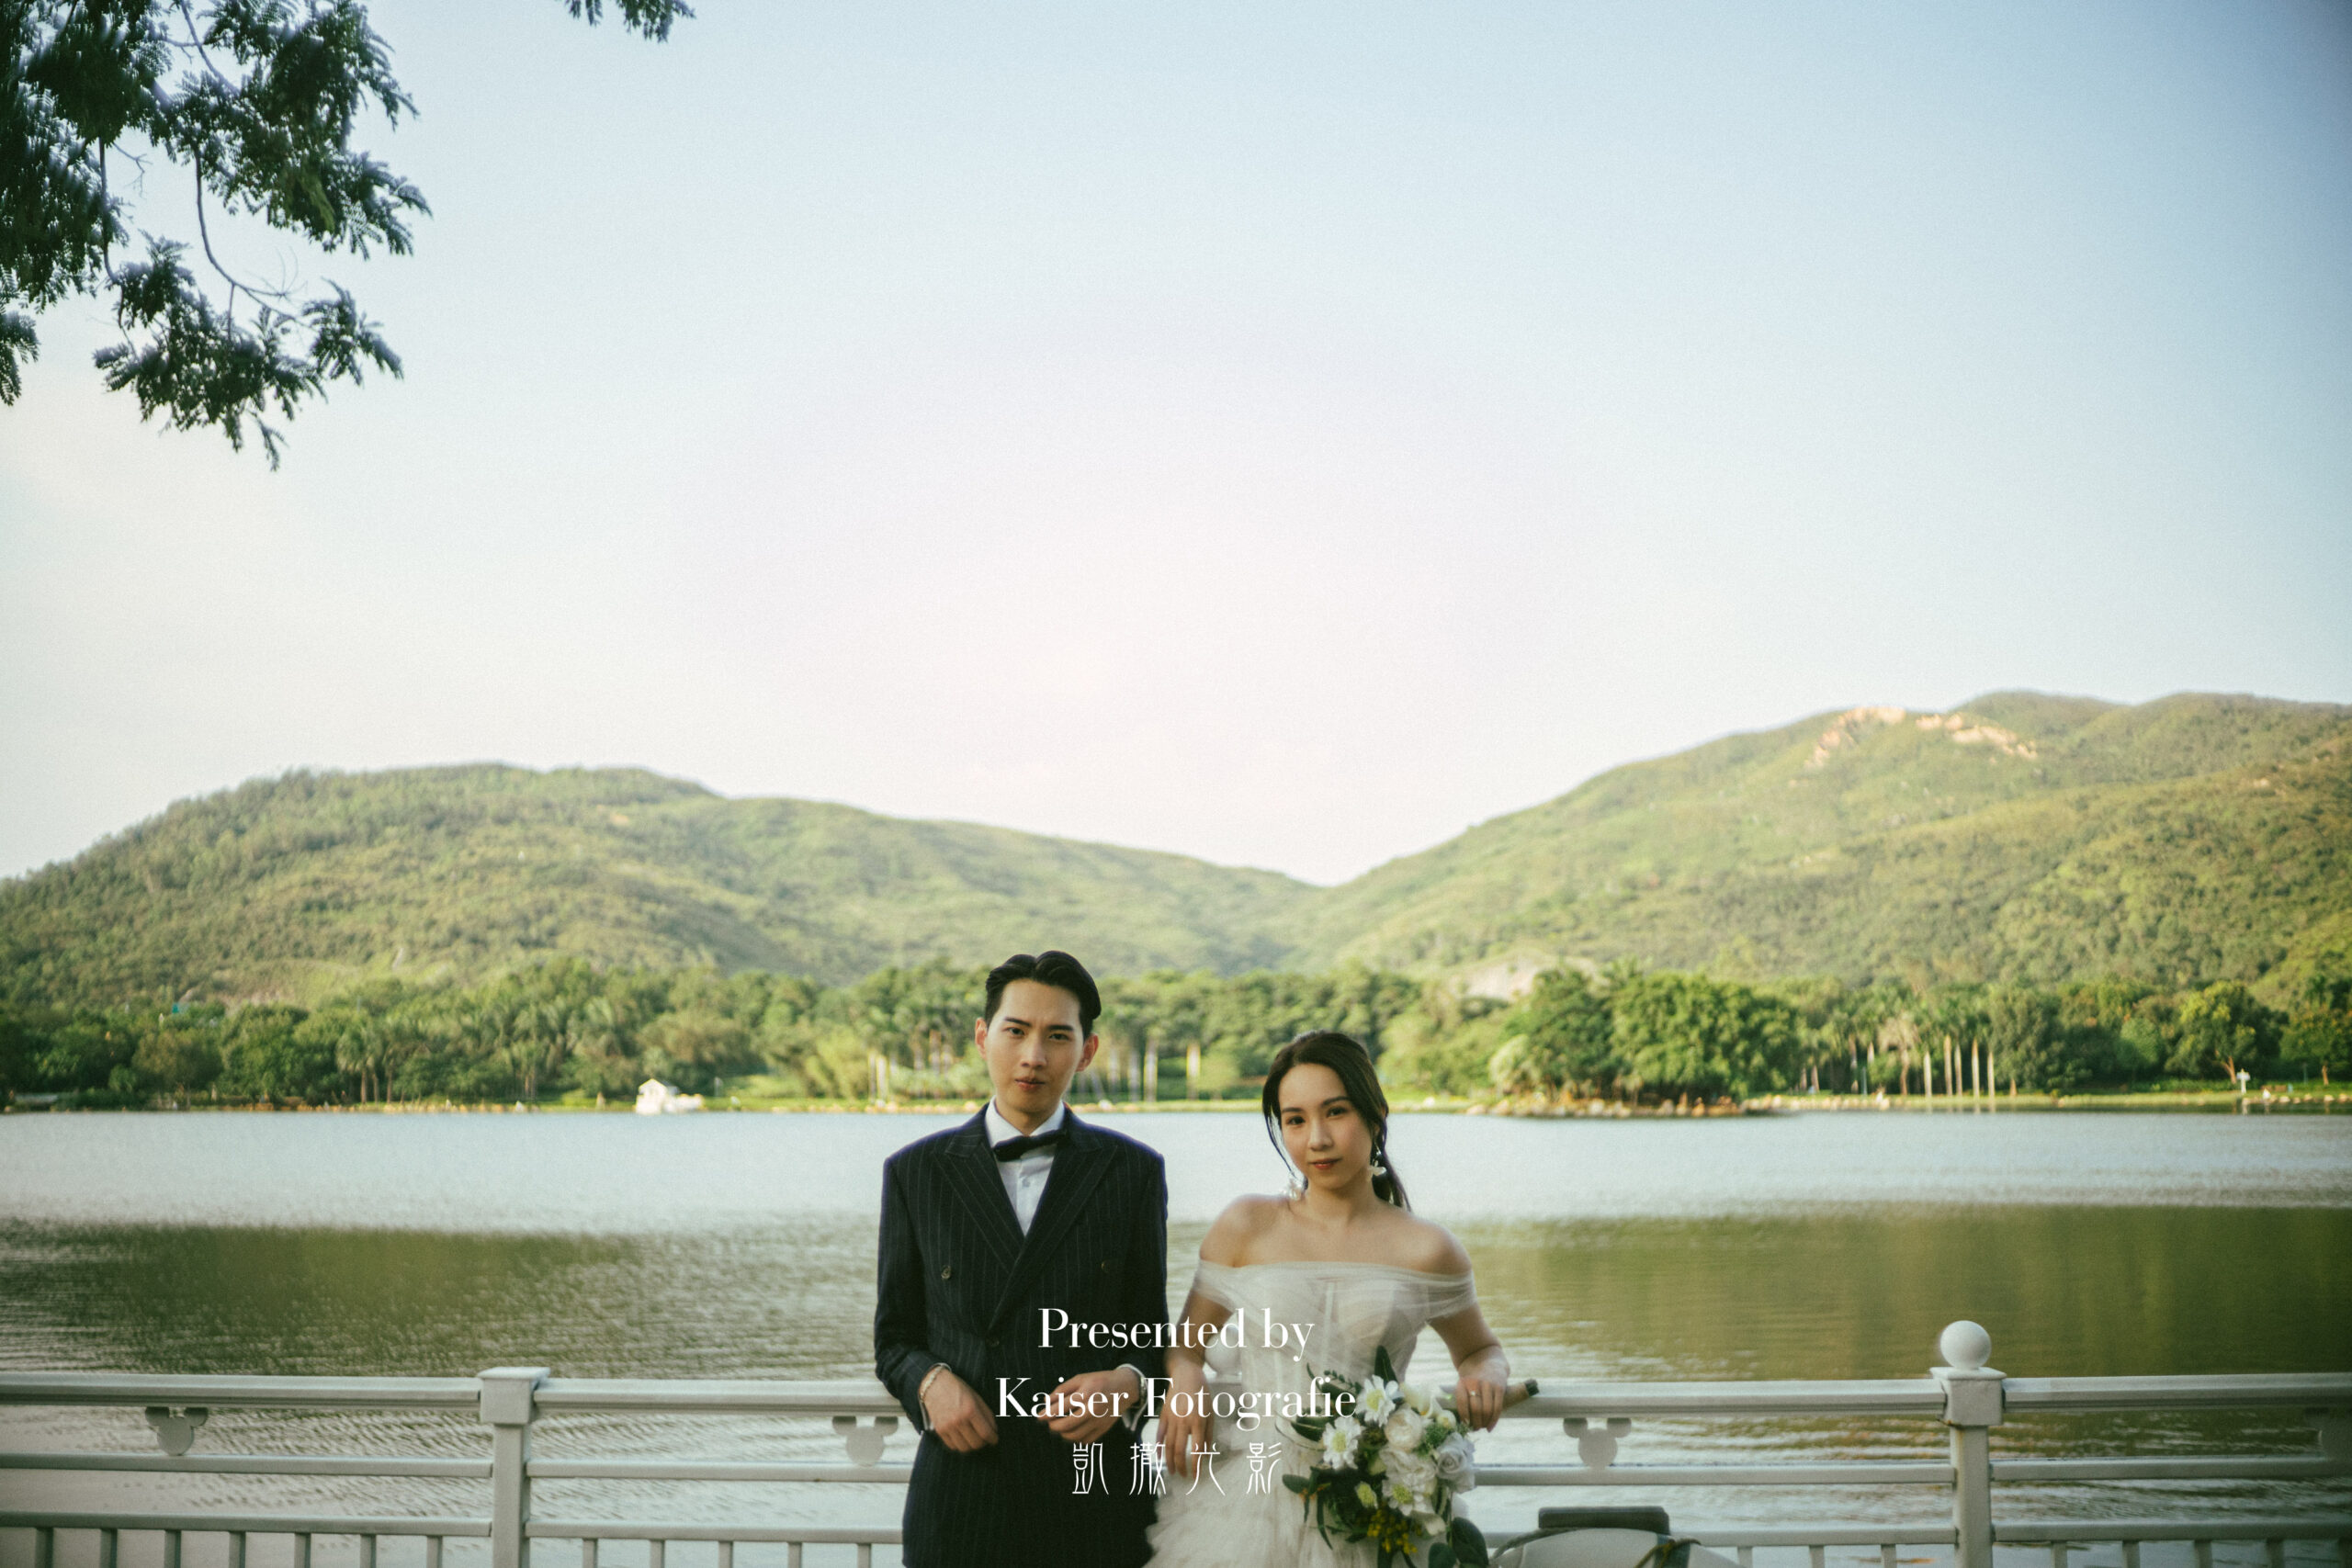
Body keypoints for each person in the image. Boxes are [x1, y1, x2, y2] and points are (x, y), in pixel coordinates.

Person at [1143, 1030, 1513, 1568]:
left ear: (1375, 1116)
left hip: (1371, 1499)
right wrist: (1186, 1379)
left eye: (1335, 1112)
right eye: (1295, 1120)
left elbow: (1479, 1350)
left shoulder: (1428, 1248)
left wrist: (1488, 1374)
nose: (1316, 1139)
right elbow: (1185, 1346)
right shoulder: (1246, 1226)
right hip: (1251, 1500)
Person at [875, 951, 1170, 1568]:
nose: (1033, 1055)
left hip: (1095, 1501)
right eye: (1016, 1031)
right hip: (964, 1497)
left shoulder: (1133, 1171)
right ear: (984, 1037)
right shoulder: (916, 1172)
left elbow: (1150, 1334)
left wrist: (1126, 1382)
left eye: (1057, 1036)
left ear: (1086, 1051)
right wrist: (931, 1383)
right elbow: (895, 1339)